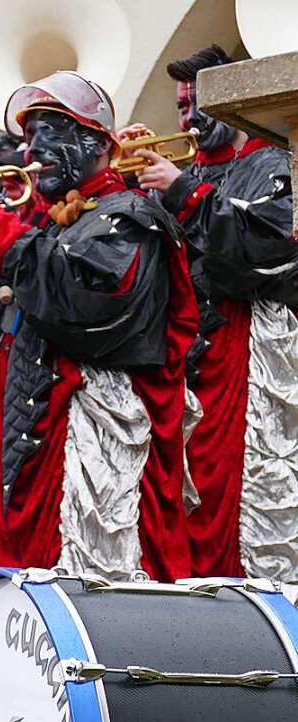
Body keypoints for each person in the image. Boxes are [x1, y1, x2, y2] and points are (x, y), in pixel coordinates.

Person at [0, 71, 198, 581]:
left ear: (98, 142)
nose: (34, 148)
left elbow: (86, 305)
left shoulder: (131, 216)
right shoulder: (52, 218)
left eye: (52, 131)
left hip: (88, 464)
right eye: (29, 135)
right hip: (28, 442)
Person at [133, 44, 298, 581]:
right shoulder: (178, 174)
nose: (190, 117)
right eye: (181, 106)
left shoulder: (270, 162)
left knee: (230, 501)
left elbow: (265, 248)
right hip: (186, 362)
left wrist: (182, 191)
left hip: (241, 355)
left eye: (199, 101)